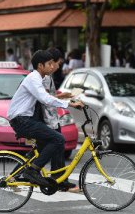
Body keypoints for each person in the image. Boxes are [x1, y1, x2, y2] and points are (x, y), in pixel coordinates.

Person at [7, 50, 84, 186]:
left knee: (45, 146)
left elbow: (47, 97)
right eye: (49, 64)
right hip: (22, 120)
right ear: (40, 66)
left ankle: (50, 178)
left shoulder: (39, 78)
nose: (52, 66)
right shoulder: (34, 78)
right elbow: (45, 99)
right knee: (58, 139)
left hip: (25, 119)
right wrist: (70, 104)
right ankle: (32, 171)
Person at [37, 47, 78, 191]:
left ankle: (59, 180)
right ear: (51, 63)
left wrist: (63, 95)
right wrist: (65, 99)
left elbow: (48, 97)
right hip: (48, 119)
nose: (59, 66)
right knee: (56, 148)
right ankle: (60, 181)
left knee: (48, 151)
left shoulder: (46, 77)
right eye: (58, 63)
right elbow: (46, 100)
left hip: (50, 118)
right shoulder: (45, 77)